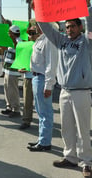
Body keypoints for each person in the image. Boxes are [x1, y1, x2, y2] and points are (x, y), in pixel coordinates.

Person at [38, 0, 92, 178]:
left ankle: (86, 162)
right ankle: (70, 157)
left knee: (83, 130)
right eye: (67, 26)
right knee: (66, 128)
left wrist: (88, 6)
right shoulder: (62, 41)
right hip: (64, 92)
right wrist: (38, 10)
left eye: (72, 26)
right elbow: (47, 29)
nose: (69, 29)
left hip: (81, 93)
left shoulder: (87, 42)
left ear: (80, 27)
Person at [26, 23, 58, 151]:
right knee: (40, 112)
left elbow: (51, 64)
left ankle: (45, 143)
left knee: (45, 112)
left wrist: (48, 85)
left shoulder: (49, 40)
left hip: (43, 79)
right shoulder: (40, 39)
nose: (37, 26)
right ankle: (42, 139)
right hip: (36, 77)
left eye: (39, 24)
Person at [17, 23, 38, 130]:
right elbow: (22, 61)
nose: (31, 35)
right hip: (28, 78)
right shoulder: (25, 46)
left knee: (41, 104)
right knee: (27, 102)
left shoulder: (43, 46)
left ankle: (45, 123)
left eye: (34, 33)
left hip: (39, 78)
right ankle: (26, 120)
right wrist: (21, 68)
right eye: (30, 33)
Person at [1, 25, 22, 118]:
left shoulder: (19, 42)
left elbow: (18, 50)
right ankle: (9, 106)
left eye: (10, 33)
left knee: (13, 90)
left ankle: (16, 109)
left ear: (13, 34)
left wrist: (12, 41)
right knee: (7, 89)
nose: (8, 34)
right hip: (7, 70)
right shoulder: (11, 41)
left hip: (13, 71)